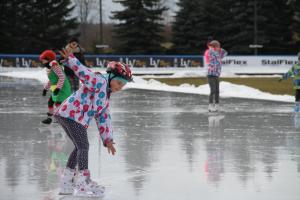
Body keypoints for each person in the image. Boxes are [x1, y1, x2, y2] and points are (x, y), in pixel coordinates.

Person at [54, 48, 133, 197]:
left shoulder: (105, 96)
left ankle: (66, 182)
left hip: (68, 115)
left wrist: (108, 139)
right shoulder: (99, 81)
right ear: (110, 76)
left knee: (79, 147)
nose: (119, 88)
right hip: (72, 115)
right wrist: (71, 60)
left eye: (122, 86)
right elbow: (84, 73)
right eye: (118, 83)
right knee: (84, 146)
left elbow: (104, 118)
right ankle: (83, 182)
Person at [40, 50, 72, 124]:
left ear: (48, 59)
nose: (42, 62)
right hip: (56, 87)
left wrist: (58, 88)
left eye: (43, 60)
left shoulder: (55, 66)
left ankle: (60, 118)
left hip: (62, 87)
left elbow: (62, 77)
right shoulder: (50, 67)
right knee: (51, 102)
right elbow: (52, 79)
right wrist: (45, 88)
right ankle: (50, 118)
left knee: (58, 103)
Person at [206, 40, 227, 112]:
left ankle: (217, 106)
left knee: (217, 91)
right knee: (213, 90)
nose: (219, 48)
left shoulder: (219, 54)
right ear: (214, 47)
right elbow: (210, 48)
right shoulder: (211, 52)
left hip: (216, 75)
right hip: (210, 74)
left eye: (219, 46)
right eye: (218, 46)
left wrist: (219, 49)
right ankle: (210, 106)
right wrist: (212, 46)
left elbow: (225, 52)